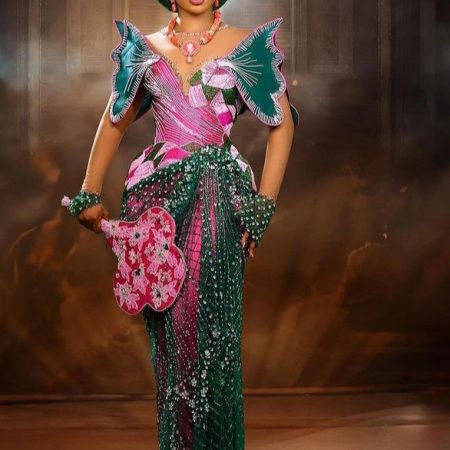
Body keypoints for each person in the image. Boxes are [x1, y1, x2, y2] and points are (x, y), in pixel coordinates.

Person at [63, 0, 298, 448]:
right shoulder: (145, 48)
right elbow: (113, 121)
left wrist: (263, 205)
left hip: (218, 203)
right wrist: (89, 191)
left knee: (208, 331)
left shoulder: (246, 46)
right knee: (172, 335)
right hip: (158, 206)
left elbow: (282, 126)